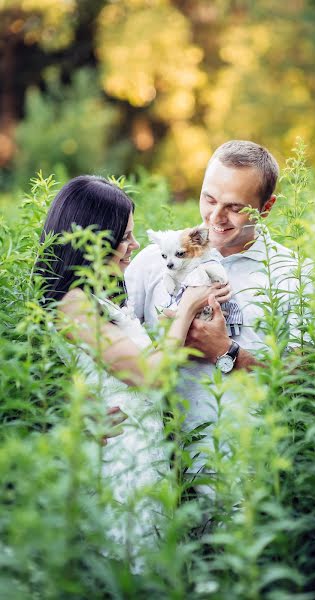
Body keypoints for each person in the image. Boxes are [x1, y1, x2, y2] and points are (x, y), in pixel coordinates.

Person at [35, 175, 230, 558]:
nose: (134, 246)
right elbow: (147, 373)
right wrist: (188, 307)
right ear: (93, 239)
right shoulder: (72, 304)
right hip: (118, 463)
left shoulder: (97, 297)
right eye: (124, 237)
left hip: (142, 452)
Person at [125, 140, 312, 474]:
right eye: (208, 198)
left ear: (265, 208)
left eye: (234, 207)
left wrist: (227, 352)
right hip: (155, 461)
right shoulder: (154, 261)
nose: (215, 217)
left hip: (242, 471)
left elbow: (303, 379)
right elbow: (113, 345)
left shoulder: (291, 274)